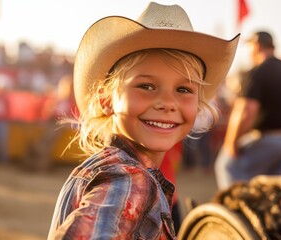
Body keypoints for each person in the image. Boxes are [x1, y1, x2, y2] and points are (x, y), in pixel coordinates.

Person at [47, 2, 239, 239]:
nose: (167, 103)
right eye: (146, 86)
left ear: (198, 104)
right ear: (106, 100)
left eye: (183, 89)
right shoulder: (130, 182)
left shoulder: (106, 169)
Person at [215, 31, 281, 190]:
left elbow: (246, 112)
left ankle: (236, 209)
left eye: (250, 46)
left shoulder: (259, 70)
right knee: (275, 189)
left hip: (269, 141)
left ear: (257, 46)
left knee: (226, 164)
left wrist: (232, 143)